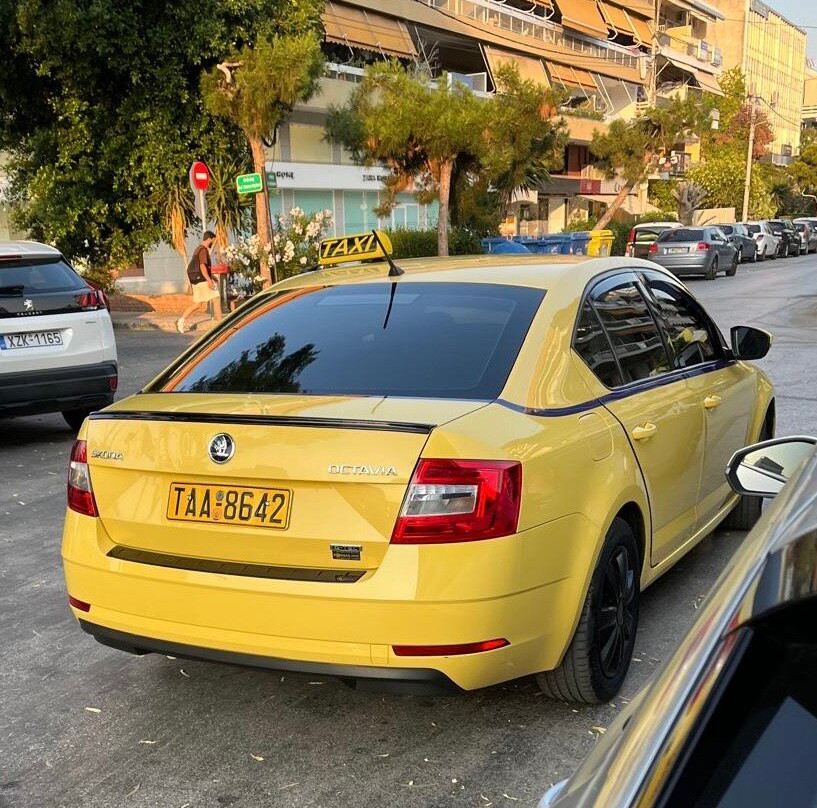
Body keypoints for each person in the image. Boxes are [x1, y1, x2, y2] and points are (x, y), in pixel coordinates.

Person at [176, 231, 222, 334]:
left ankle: (181, 321)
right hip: (202, 281)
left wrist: (212, 277)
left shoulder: (198, 249)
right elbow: (202, 266)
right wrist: (209, 280)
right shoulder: (203, 250)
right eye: (213, 241)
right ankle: (220, 325)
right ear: (209, 238)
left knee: (197, 304)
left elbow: (201, 267)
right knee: (216, 298)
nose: (213, 243)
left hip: (197, 281)